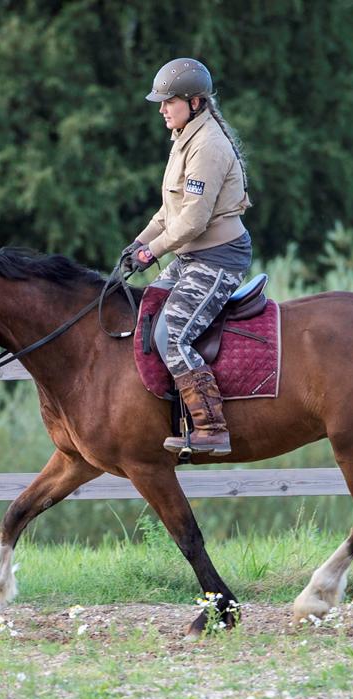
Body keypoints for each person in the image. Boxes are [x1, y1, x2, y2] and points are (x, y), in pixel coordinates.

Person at [122, 57, 252, 457]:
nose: (162, 109)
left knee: (171, 334)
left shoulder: (207, 146)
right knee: (146, 311)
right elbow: (168, 212)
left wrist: (152, 252)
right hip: (193, 255)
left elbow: (192, 221)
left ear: (195, 102)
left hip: (217, 258)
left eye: (169, 102)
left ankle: (211, 427)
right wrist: (135, 245)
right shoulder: (184, 139)